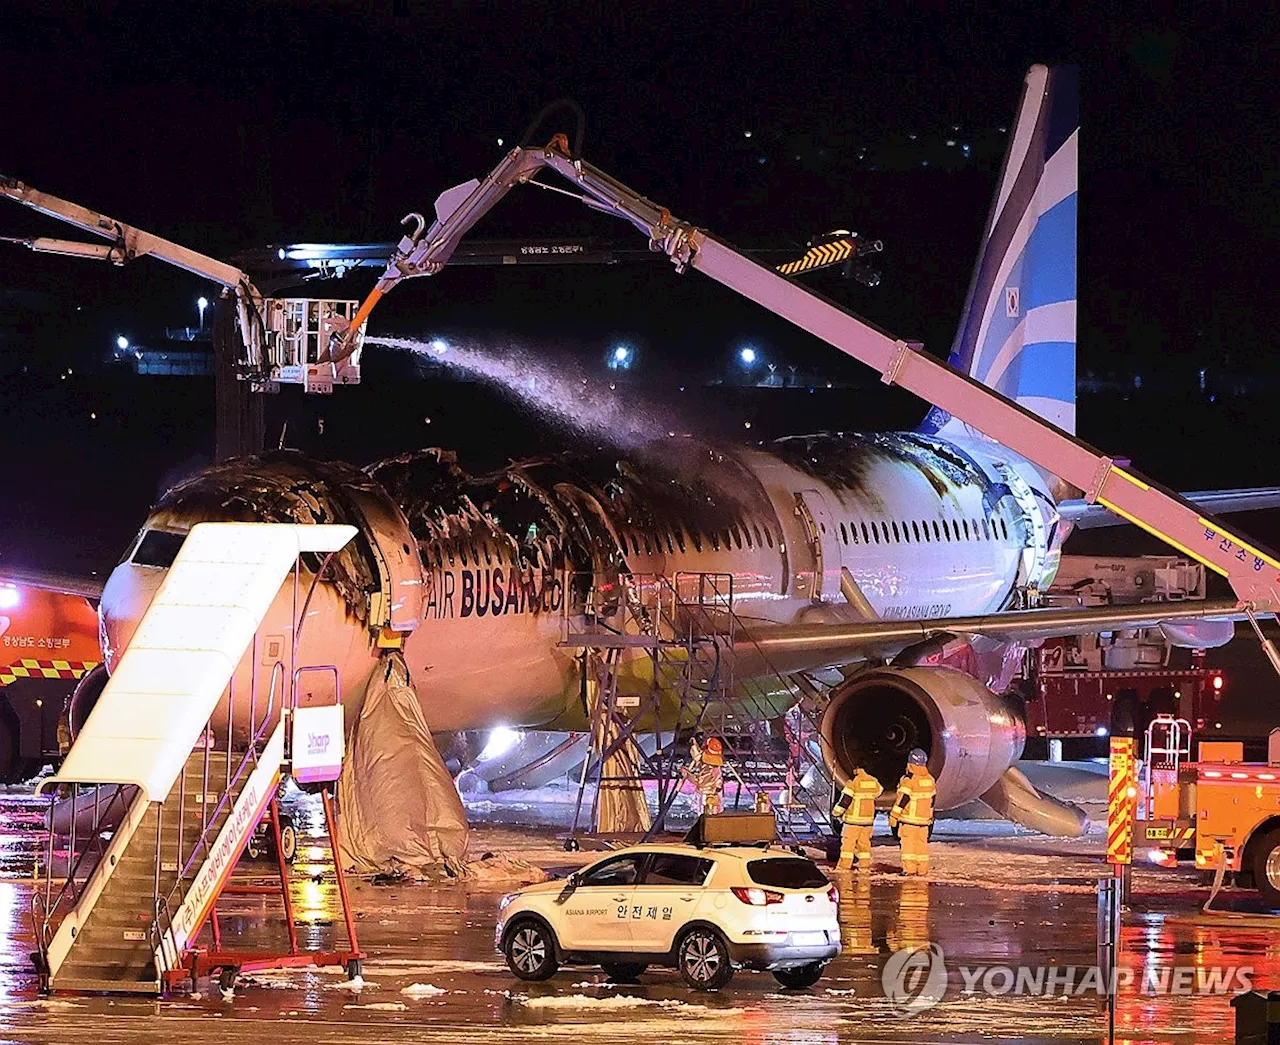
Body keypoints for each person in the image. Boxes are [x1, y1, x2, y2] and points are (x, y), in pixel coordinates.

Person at [889, 748, 936, 877]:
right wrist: (930, 814)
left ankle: (909, 869)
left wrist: (894, 815)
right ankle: (922, 870)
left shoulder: (909, 780)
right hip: (924, 820)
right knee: (921, 847)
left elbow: (903, 799)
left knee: (908, 846)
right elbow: (932, 800)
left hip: (909, 820)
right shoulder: (930, 780)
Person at [831, 766, 882, 870]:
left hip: (853, 822)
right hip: (867, 822)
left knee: (847, 847)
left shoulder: (853, 782)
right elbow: (879, 792)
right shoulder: (873, 781)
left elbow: (845, 800)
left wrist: (836, 812)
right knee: (864, 847)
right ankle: (864, 867)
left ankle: (843, 867)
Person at [681, 735, 725, 816]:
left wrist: (687, 774)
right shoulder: (709, 764)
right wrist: (694, 745)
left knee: (707, 817)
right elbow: (699, 757)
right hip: (708, 794)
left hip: (708, 797)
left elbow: (700, 783)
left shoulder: (712, 771)